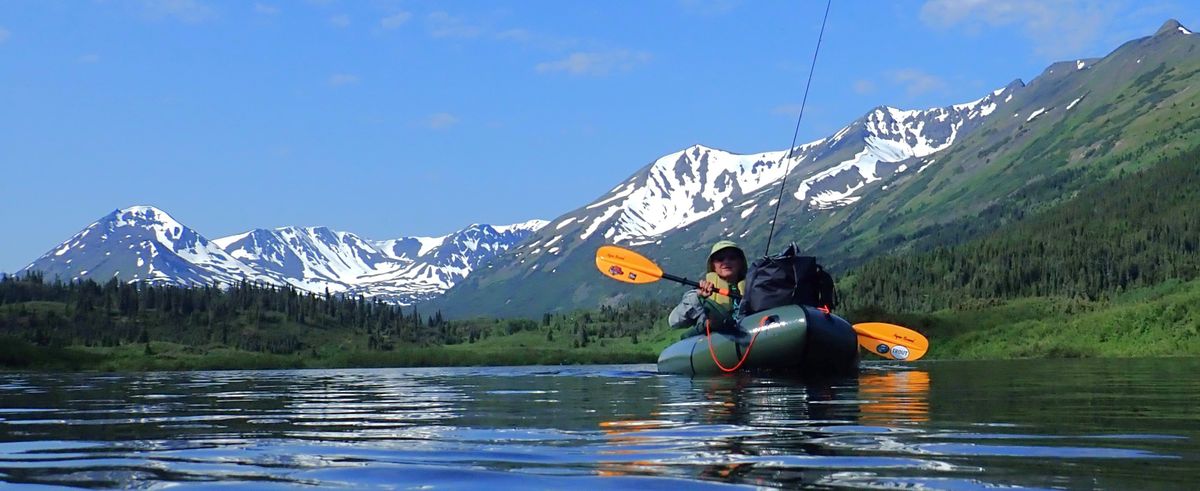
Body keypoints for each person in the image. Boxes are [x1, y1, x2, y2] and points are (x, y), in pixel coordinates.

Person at [668, 240, 748, 339]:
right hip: (717, 347)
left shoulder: (754, 287)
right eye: (720, 259)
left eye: (732, 258)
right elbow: (674, 321)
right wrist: (699, 297)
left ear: (740, 262)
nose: (726, 262)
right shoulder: (699, 293)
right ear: (713, 266)